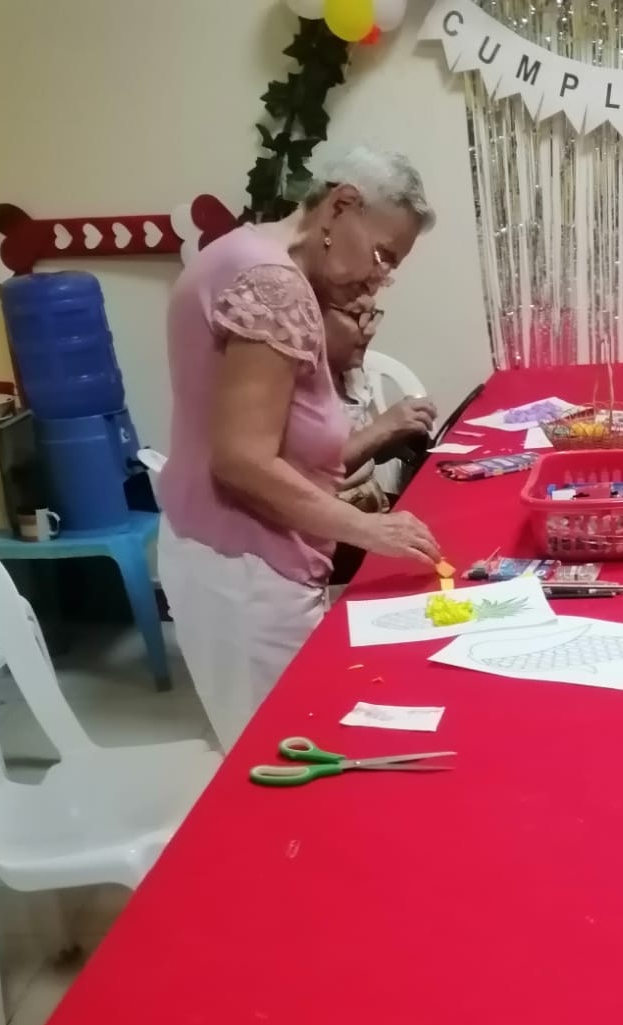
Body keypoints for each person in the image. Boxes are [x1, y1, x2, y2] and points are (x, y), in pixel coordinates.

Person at [157, 144, 441, 750]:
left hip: (227, 556)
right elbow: (241, 460)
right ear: (341, 206)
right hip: (246, 567)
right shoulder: (273, 285)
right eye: (383, 255)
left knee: (280, 746)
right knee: (286, 753)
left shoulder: (243, 253)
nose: (379, 278)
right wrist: (369, 529)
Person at [323, 300, 437, 514]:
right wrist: (383, 427)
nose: (370, 330)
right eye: (356, 315)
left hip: (372, 503)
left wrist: (400, 435)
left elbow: (369, 457)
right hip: (332, 517)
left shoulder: (351, 372)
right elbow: (316, 474)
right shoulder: (296, 387)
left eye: (372, 315)